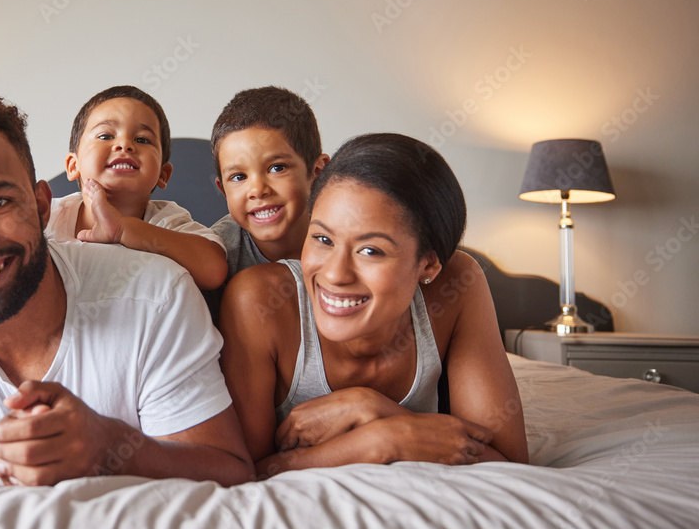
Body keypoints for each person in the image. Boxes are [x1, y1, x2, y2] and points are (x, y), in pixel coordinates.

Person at [0, 88, 253, 487]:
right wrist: (0, 451)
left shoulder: (157, 289)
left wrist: (109, 446)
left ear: (40, 205)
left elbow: (228, 468)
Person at [218, 133, 529, 477]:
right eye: (323, 239)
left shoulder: (456, 284)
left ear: (428, 264)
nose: (335, 274)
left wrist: (372, 409)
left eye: (371, 250)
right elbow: (245, 472)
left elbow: (507, 464)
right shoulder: (258, 302)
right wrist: (379, 442)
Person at [48, 85, 227, 290]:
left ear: (163, 174)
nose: (124, 144)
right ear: (73, 166)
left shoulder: (165, 222)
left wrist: (125, 230)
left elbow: (213, 270)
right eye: (106, 136)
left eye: (142, 139)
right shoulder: (48, 218)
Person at [204, 86, 329, 320]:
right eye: (239, 177)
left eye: (277, 168)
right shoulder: (217, 260)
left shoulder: (348, 237)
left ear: (318, 172)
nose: (258, 190)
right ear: (223, 191)